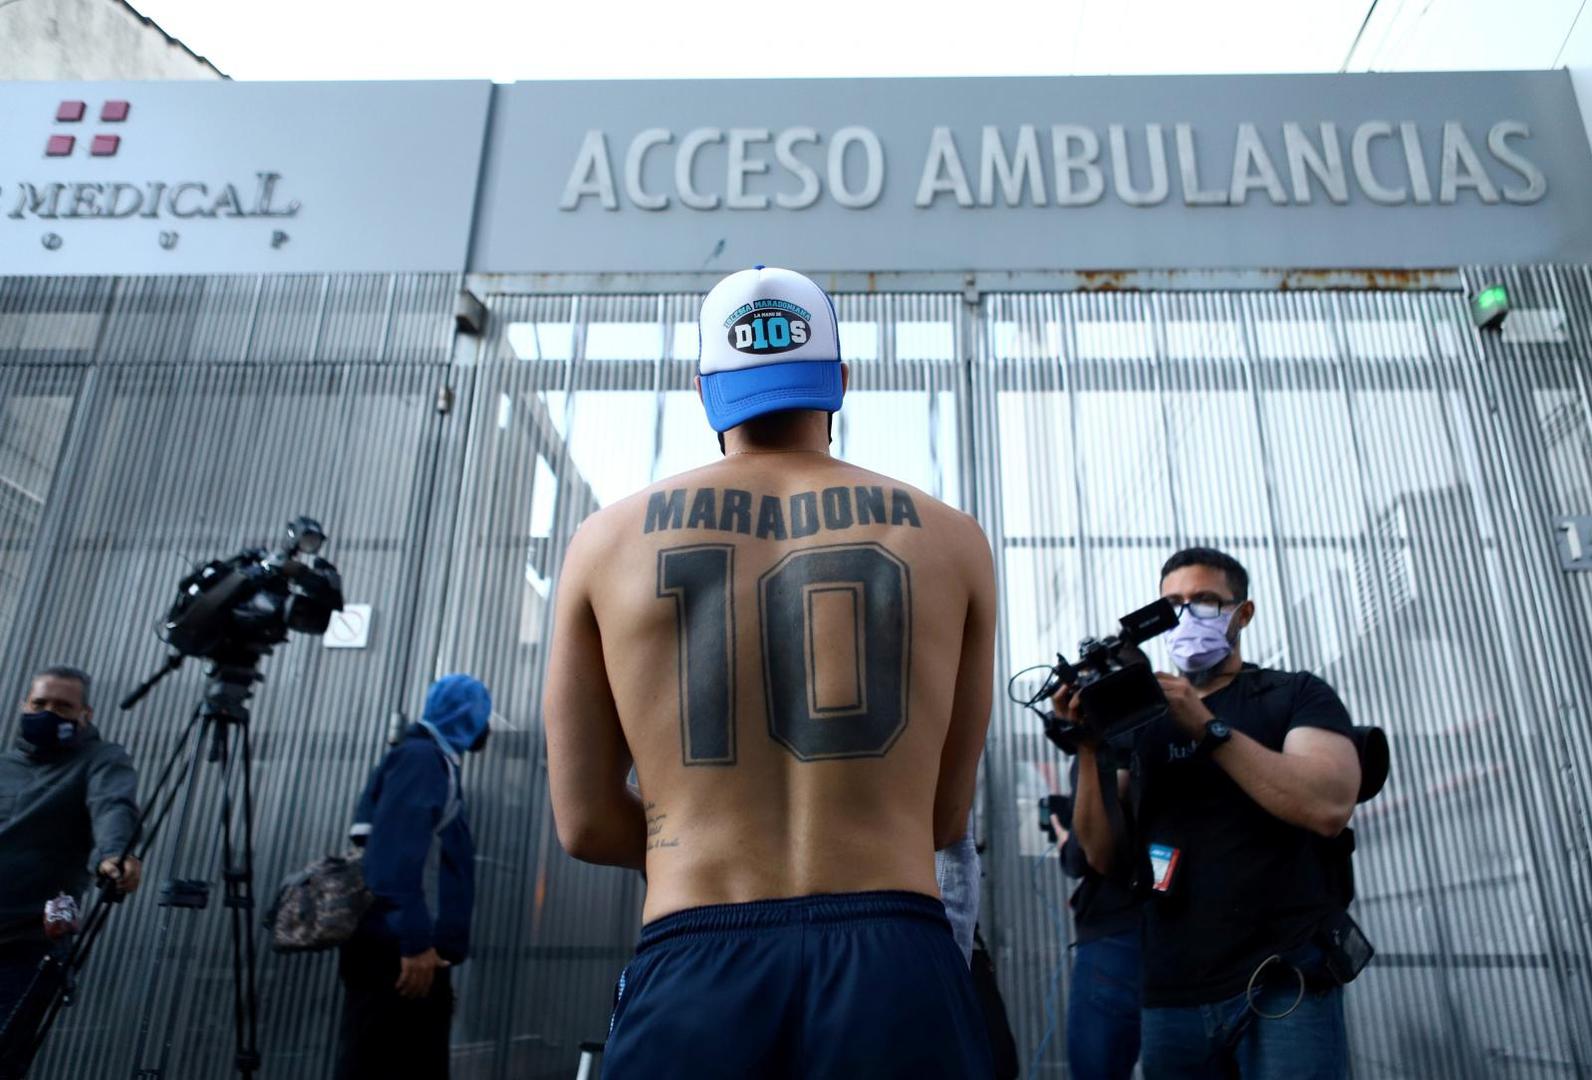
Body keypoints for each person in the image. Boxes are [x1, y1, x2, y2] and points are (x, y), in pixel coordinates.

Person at [544, 265, 997, 1079]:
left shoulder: (605, 544)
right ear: (840, 383)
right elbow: (942, 817)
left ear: (704, 390)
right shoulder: (953, 540)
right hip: (894, 960)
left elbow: (582, 823)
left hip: (696, 959)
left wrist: (697, 837)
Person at [1063, 547, 1361, 1080]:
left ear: (1241, 613)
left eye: (1204, 601)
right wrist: (1088, 745)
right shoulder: (1144, 722)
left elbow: (1327, 805)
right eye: (1172, 604)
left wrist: (1206, 727)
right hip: (1172, 995)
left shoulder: (1292, 695)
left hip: (1282, 981)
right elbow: (1105, 855)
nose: (1187, 616)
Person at [335, 674, 492, 1080]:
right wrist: (416, 944)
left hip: (410, 953)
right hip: (399, 954)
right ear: (471, 716)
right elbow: (395, 860)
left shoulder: (432, 760)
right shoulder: (422, 760)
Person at [0, 667, 140, 1075]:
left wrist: (115, 855)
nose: (48, 713)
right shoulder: (4, 765)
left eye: (63, 707)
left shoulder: (100, 760)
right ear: (24, 705)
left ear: (86, 714)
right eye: (39, 704)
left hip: (26, 947)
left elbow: (113, 806)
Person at [1053, 758, 1143, 1080]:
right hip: (1181, 930)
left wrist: (1067, 843)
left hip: (1115, 934)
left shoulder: (1100, 746)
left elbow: (1086, 857)